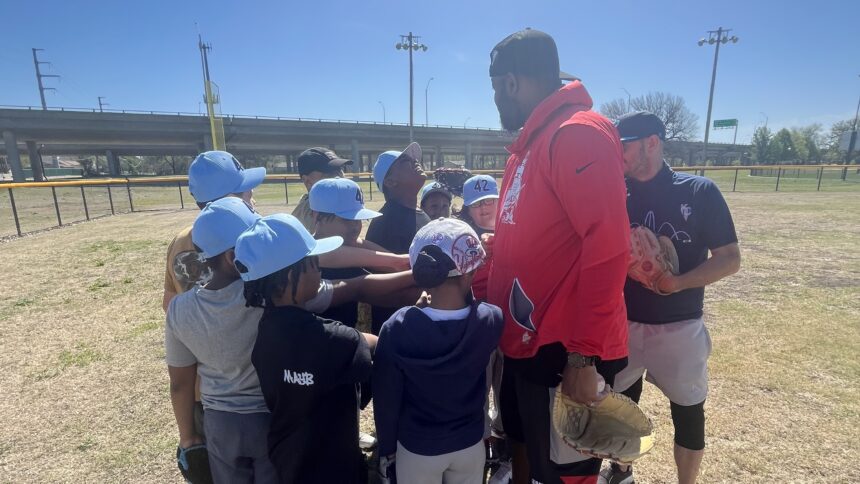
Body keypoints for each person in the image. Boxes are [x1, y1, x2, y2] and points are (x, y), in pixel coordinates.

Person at [485, 29, 631, 484]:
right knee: (525, 449)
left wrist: (583, 358)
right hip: (525, 340)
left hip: (564, 348)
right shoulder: (529, 144)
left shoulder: (576, 134)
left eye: (495, 89)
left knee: (567, 472)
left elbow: (608, 248)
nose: (495, 100)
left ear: (511, 83)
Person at [599, 112, 740, 484]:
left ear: (652, 143)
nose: (618, 154)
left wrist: (677, 283)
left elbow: (729, 258)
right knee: (621, 406)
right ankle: (621, 471)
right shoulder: (615, 191)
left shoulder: (698, 191)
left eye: (625, 146)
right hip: (623, 324)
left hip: (679, 326)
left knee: (688, 413)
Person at [237, 214, 378, 484]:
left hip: (288, 459)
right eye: (315, 264)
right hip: (335, 467)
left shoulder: (265, 330)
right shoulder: (332, 339)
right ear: (292, 276)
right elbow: (372, 344)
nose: (321, 271)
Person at [373, 218, 504, 484]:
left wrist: (387, 448)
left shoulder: (398, 327)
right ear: (470, 271)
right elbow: (474, 312)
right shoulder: (491, 319)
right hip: (469, 443)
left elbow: (386, 397)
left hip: (418, 448)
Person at [165, 197, 277, 483]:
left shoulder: (180, 309)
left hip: (219, 423)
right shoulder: (268, 295)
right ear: (232, 256)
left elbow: (180, 384)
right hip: (270, 415)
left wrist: (188, 438)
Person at [367, 142, 431, 333]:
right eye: (405, 161)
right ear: (390, 182)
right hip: (400, 328)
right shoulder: (385, 222)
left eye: (414, 159)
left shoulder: (421, 214)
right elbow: (385, 285)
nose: (415, 162)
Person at [292, 147, 353, 231]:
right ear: (307, 181)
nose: (338, 176)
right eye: (329, 173)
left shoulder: (334, 202)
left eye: (339, 169)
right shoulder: (314, 210)